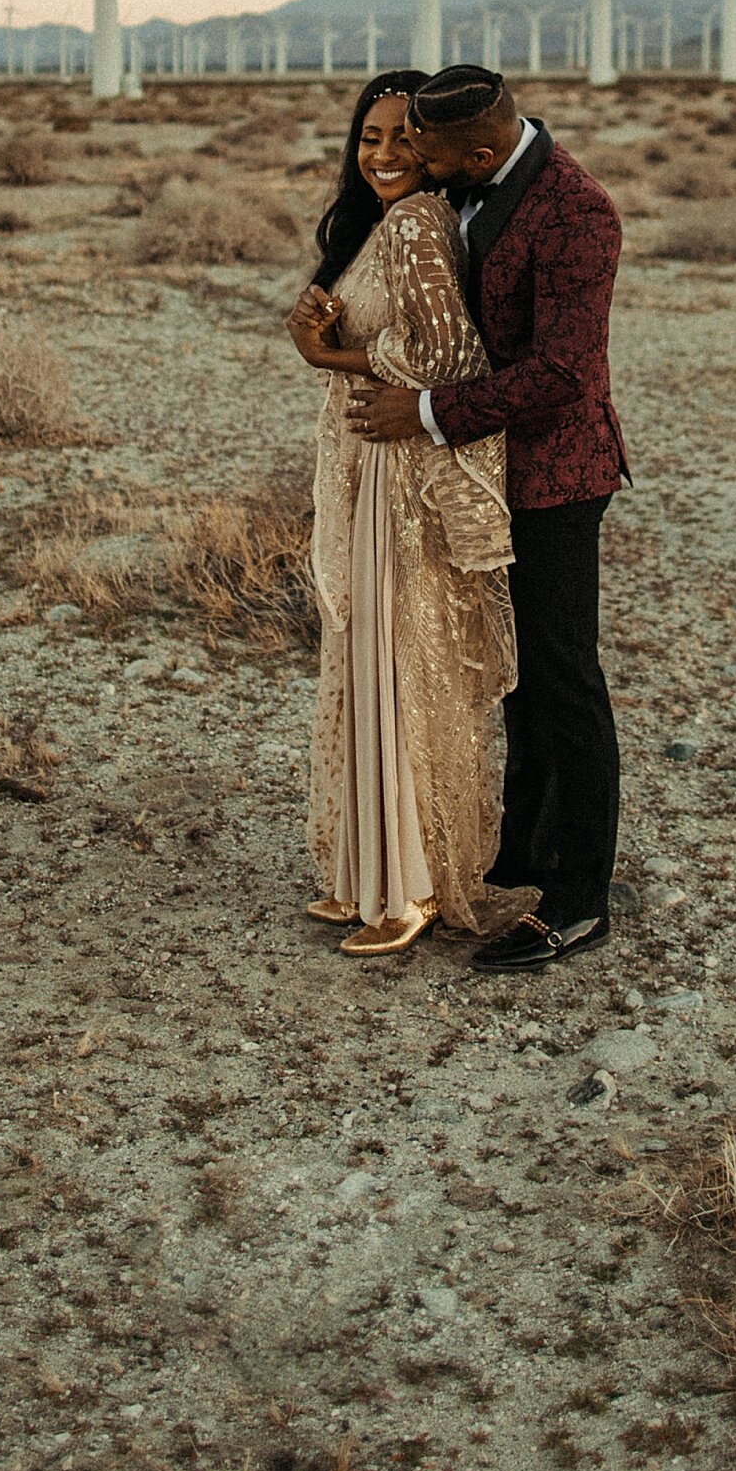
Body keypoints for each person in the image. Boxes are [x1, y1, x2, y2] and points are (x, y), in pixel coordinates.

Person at [336, 67, 629, 976]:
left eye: (424, 147)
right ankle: (521, 857)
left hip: (553, 475)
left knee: (562, 674)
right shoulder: (465, 181)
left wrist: (421, 412)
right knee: (512, 675)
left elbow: (562, 373)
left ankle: (580, 898)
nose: (410, 158)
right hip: (483, 466)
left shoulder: (576, 210)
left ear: (482, 150)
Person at [286, 75, 515, 961]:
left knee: (398, 667)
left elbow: (451, 356)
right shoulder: (389, 225)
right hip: (374, 469)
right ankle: (372, 870)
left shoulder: (419, 222)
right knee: (376, 662)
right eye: (367, 138)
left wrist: (327, 353)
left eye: (401, 139)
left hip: (401, 480)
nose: (383, 155)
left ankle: (410, 884)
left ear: (433, 148)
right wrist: (328, 320)